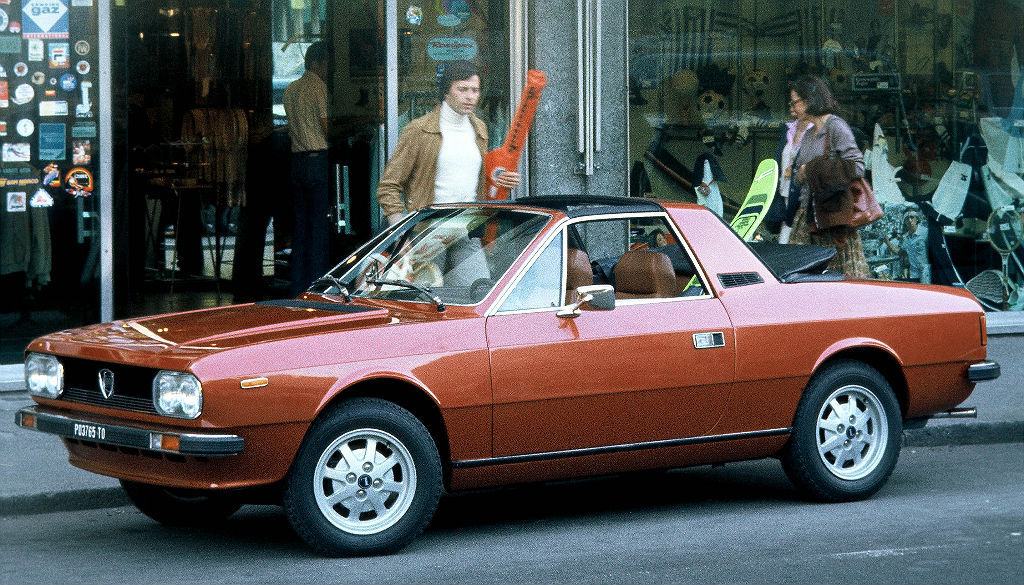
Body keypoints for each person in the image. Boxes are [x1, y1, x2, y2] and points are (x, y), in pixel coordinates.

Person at [377, 60, 520, 226]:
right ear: (446, 92)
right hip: (427, 229)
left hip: (467, 228)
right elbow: (389, 186)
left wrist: (499, 178)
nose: (470, 96)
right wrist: (401, 230)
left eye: (475, 90)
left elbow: (472, 176)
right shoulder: (419, 129)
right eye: (462, 89)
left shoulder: (480, 129)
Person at [785, 75, 871, 279]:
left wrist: (812, 169)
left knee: (836, 277)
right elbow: (798, 176)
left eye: (795, 102)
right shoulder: (808, 134)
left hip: (831, 215)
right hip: (808, 215)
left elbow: (857, 166)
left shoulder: (835, 126)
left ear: (809, 100)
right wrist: (802, 173)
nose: (792, 108)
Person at [283, 41, 330, 297]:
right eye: (326, 64)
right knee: (318, 226)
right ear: (317, 63)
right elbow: (325, 126)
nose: (327, 69)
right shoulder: (318, 86)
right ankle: (316, 287)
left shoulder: (291, 88)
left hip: (297, 161)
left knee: (300, 226)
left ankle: (296, 286)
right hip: (316, 160)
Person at [773, 89, 814, 244]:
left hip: (805, 196)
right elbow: (779, 157)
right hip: (785, 191)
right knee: (786, 232)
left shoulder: (816, 130)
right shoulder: (788, 129)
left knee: (800, 238)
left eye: (794, 102)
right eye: (790, 103)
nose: (790, 106)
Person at [884, 209, 929, 282]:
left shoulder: (926, 233)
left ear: (917, 219)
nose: (910, 220)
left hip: (927, 274)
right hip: (914, 275)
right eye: (907, 218)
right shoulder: (906, 238)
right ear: (905, 222)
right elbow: (899, 252)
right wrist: (887, 242)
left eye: (912, 217)